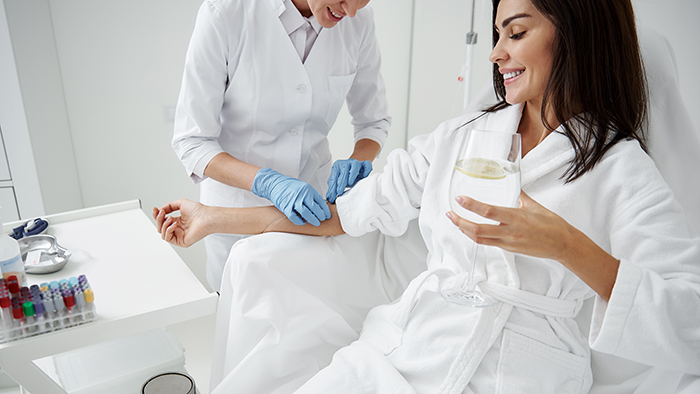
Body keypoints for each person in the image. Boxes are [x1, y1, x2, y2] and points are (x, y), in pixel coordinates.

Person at [155, 0, 700, 392]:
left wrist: (566, 245)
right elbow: (340, 217)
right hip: (405, 350)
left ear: (575, 30)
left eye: (514, 33)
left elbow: (689, 321)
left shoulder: (620, 168)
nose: (495, 54)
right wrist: (213, 215)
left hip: (523, 371)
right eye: (496, 35)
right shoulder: (463, 138)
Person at [172, 0, 389, 291]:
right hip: (235, 214)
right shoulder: (225, 13)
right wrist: (267, 182)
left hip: (311, 212)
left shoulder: (358, 21)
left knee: (308, 312)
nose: (349, 11)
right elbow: (193, 141)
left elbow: (373, 121)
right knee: (241, 320)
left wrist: (360, 158)